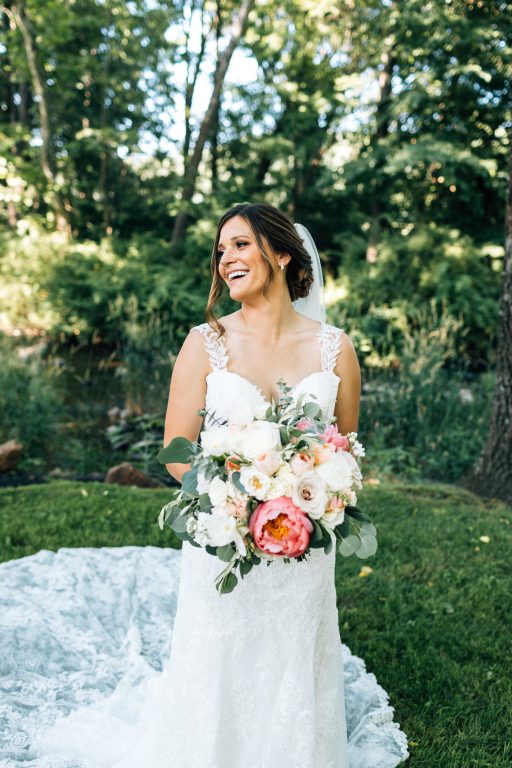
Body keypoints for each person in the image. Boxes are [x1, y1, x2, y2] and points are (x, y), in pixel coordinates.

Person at [2, 202, 409, 768]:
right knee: (221, 654)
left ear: (282, 252)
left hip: (303, 540)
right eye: (221, 251)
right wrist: (233, 498)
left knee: (293, 651)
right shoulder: (206, 342)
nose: (226, 259)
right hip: (224, 532)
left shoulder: (335, 348)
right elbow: (174, 448)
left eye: (241, 244)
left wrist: (311, 491)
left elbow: (342, 449)